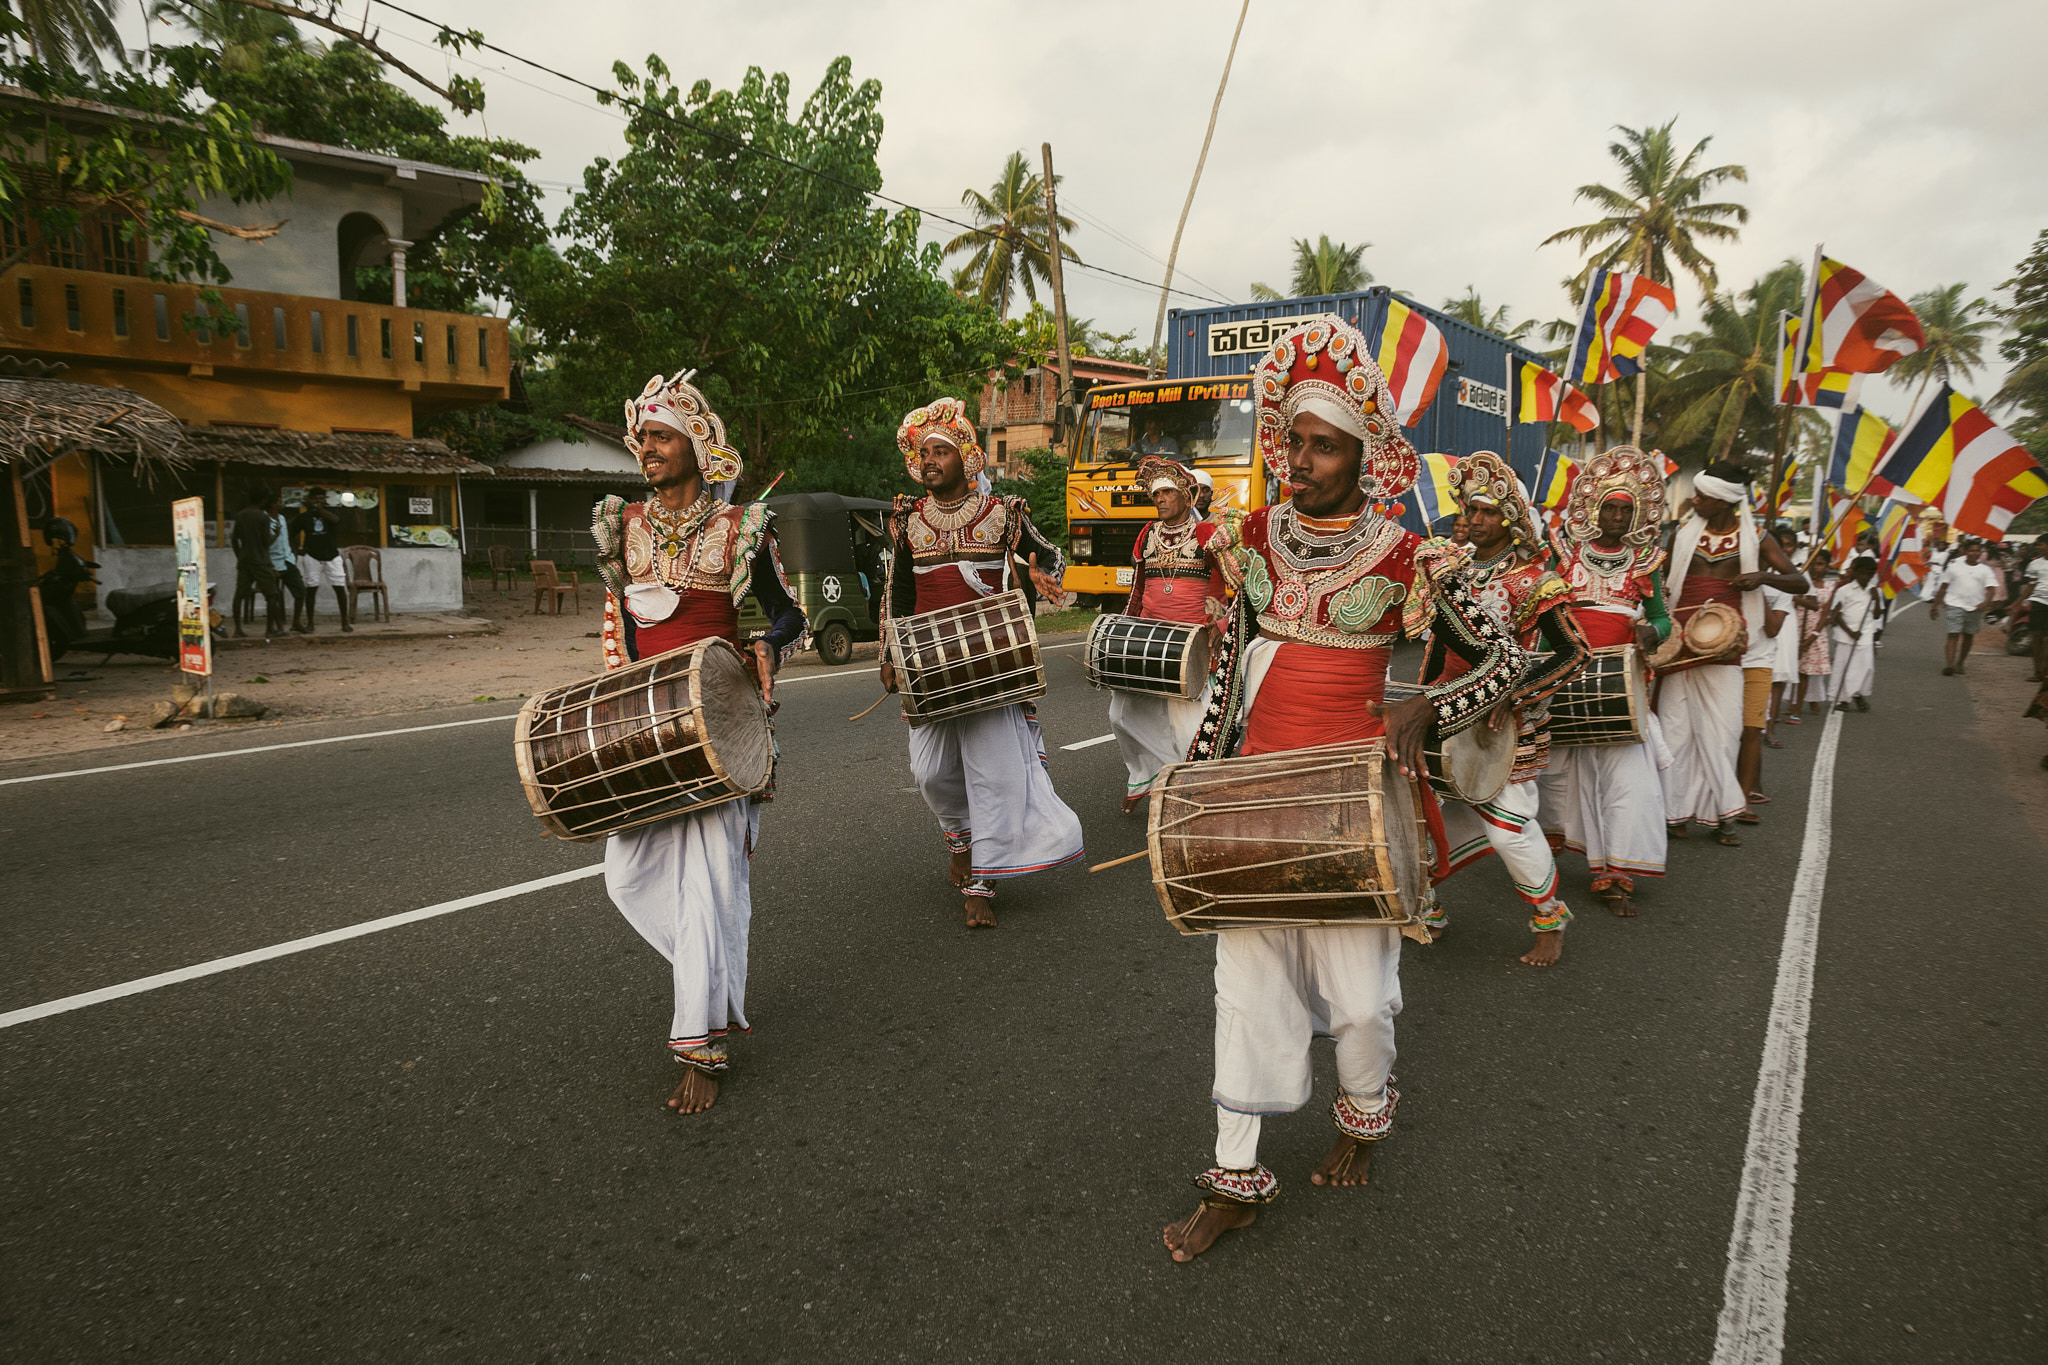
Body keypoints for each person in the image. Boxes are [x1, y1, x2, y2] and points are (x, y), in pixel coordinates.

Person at [1159, 319, 1522, 1262]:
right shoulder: (1246, 543)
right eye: (1295, 441)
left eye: (1325, 445)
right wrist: (1199, 774)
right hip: (1252, 798)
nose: (1303, 461)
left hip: (1353, 812)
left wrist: (1427, 710)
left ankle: (1363, 1114)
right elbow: (1232, 665)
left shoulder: (1411, 558)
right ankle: (1233, 1175)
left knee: (1362, 1003)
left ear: (1367, 453)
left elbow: (1510, 655)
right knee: (1243, 988)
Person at [588, 369, 806, 1116]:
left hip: (720, 731)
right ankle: (707, 977)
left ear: (695, 446)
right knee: (627, 873)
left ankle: (699, 1039)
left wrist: (771, 645)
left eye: (660, 436)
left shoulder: (738, 528)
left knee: (709, 885)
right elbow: (619, 626)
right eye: (641, 436)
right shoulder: (624, 527)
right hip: (646, 728)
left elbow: (789, 614)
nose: (646, 448)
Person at [879, 397, 1083, 928]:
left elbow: (1050, 556)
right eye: (923, 451)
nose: (929, 458)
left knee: (991, 774)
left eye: (941, 450)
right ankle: (961, 838)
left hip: (990, 660)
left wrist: (1037, 574)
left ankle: (982, 881)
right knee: (929, 772)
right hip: (928, 665)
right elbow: (897, 591)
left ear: (968, 459)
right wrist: (889, 651)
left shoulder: (1004, 514)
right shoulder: (907, 519)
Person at [1417, 450, 1589, 965]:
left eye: (1487, 510)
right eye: (1469, 509)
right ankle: (1426, 909)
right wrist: (1419, 699)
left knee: (1510, 829)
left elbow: (1574, 651)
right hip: (1445, 714)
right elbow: (1437, 647)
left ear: (1511, 518)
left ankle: (1549, 918)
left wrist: (1513, 693)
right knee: (1420, 815)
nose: (1474, 518)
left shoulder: (1535, 581)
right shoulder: (1452, 571)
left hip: (1503, 726)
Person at [1536, 446, 1671, 918]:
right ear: (1594, 510)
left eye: (1625, 510)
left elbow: (1661, 618)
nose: (1616, 517)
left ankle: (1617, 872)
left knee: (1627, 785)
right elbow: (1542, 606)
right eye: (1609, 508)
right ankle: (1541, 862)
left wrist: (1653, 633)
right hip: (1568, 681)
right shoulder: (1565, 555)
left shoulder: (1647, 562)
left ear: (1636, 514)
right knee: (1554, 777)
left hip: (1620, 687)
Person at [1656, 463, 1807, 847]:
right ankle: (1675, 813)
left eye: (1703, 496)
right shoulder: (1680, 534)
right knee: (1676, 732)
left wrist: (1763, 577)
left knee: (1722, 735)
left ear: (1724, 502)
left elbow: (1799, 580)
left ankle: (1723, 813)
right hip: (1680, 646)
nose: (1695, 500)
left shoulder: (1757, 538)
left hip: (1727, 647)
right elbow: (1660, 581)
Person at [1109, 455, 1227, 813]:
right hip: (1147, 641)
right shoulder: (1146, 534)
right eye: (1155, 493)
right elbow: (1138, 587)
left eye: (1167, 492)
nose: (1159, 499)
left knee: (1186, 727)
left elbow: (1222, 587)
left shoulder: (1208, 534)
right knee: (1122, 715)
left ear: (1186, 498)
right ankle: (1147, 776)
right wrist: (1124, 629)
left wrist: (1217, 628)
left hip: (1189, 645)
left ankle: (1192, 791)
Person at [1734, 577, 1792, 819]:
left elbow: (1773, 628)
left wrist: (1757, 591)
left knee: (1751, 730)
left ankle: (1743, 800)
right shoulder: (1732, 575)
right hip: (1726, 659)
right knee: (1723, 732)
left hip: (1759, 663)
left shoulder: (1781, 587)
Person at [1931, 539, 2003, 675]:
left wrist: (1986, 602)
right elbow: (1943, 586)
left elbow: (1991, 588)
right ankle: (1950, 665)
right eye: (1971, 550)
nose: (1974, 553)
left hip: (1975, 607)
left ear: (1981, 553)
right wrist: (1935, 606)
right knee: (1953, 634)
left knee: (1968, 636)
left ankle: (1960, 663)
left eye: (1977, 551)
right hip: (1955, 604)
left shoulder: (1985, 570)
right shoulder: (1954, 567)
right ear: (1965, 551)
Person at [291, 487, 351, 633]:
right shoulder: (304, 517)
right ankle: (310, 623)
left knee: (339, 588)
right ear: (310, 499)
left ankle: (345, 622)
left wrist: (317, 509)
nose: (318, 501)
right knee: (311, 589)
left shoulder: (332, 512)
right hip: (312, 556)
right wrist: (295, 550)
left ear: (325, 500)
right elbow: (291, 532)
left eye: (321, 498)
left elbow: (336, 521)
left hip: (332, 555)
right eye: (315, 499)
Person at [230, 483, 284, 639]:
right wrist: (276, 534)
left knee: (239, 595)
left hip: (245, 560)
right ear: (263, 499)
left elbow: (234, 540)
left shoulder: (240, 515)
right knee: (271, 595)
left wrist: (240, 556)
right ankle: (269, 630)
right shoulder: (263, 516)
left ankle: (238, 629)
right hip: (261, 560)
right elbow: (266, 542)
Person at [1829, 557, 1880, 711]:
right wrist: (1850, 632)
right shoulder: (1844, 591)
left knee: (1864, 668)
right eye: (1862, 573)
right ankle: (1843, 699)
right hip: (1846, 636)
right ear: (1856, 572)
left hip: (1865, 636)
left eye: (1869, 574)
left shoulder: (1875, 591)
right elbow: (1836, 615)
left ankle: (1858, 694)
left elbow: (1877, 615)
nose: (1866, 577)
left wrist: (1876, 599)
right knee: (1843, 667)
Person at [1793, 563, 1836, 717]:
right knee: (1795, 670)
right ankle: (1795, 703)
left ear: (1826, 566)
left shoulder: (1830, 586)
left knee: (1807, 671)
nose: (1815, 567)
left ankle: (1799, 707)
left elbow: (1824, 612)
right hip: (1797, 627)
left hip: (1815, 631)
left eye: (1819, 564)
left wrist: (1812, 636)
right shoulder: (1801, 582)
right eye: (1813, 564)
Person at [2022, 543, 2048, 682]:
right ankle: (2037, 671)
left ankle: (2044, 670)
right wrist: (2018, 602)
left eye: (2041, 546)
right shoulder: (2035, 564)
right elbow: (2030, 586)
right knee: (2036, 637)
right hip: (2038, 602)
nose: (2038, 548)